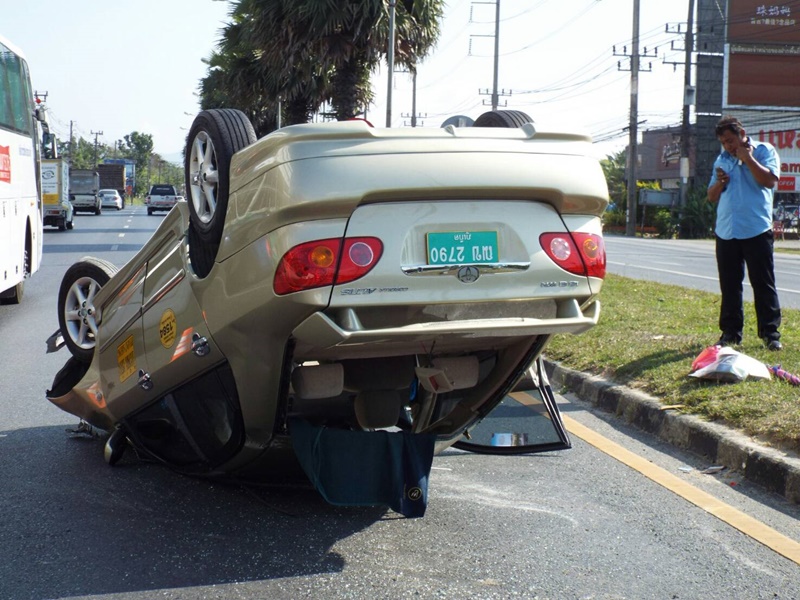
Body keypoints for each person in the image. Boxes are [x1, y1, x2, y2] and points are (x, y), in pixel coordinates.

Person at [707, 116, 782, 351]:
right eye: (724, 142)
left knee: (763, 283)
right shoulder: (721, 160)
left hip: (756, 229)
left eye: (730, 140)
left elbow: (769, 181)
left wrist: (747, 158)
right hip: (727, 231)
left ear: (741, 133)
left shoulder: (764, 151)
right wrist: (720, 183)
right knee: (729, 285)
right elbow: (711, 196)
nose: (728, 146)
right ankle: (730, 333)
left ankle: (770, 334)